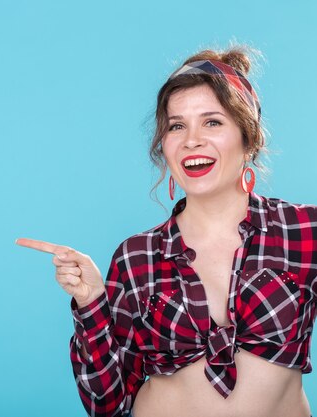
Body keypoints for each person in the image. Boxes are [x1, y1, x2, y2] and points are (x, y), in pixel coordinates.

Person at [16, 46, 315, 417]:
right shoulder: (137, 256)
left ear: (248, 136)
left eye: (212, 122)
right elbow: (106, 405)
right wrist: (91, 301)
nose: (192, 140)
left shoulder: (304, 231)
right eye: (177, 126)